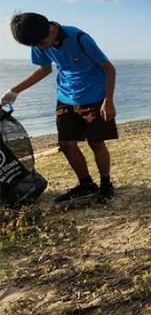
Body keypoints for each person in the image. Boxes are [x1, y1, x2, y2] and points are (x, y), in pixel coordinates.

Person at [2, 13, 117, 205]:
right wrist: (14, 91)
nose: (41, 47)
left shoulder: (79, 38)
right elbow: (44, 69)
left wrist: (109, 100)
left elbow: (109, 68)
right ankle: (86, 184)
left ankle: (106, 184)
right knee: (66, 144)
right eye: (36, 45)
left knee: (96, 143)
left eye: (42, 42)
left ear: (51, 28)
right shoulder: (37, 41)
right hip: (65, 97)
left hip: (95, 97)